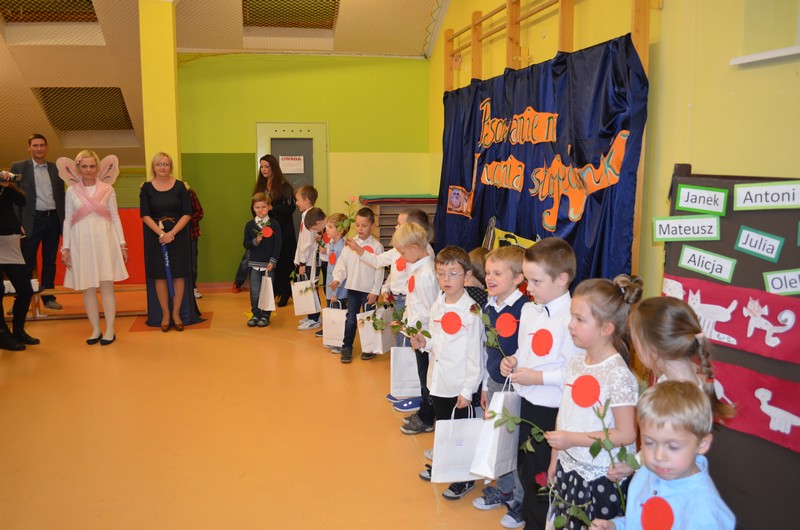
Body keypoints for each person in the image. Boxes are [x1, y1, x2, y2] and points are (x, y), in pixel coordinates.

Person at [543, 274, 642, 529]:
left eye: (580, 319)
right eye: (571, 316)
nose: (570, 325)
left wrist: (572, 439)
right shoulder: (576, 362)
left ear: (606, 328)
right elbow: (564, 414)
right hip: (568, 467)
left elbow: (626, 433)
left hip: (600, 478)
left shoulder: (617, 374)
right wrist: (556, 457)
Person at [499, 238, 582, 529]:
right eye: (527, 280)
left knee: (544, 478)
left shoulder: (572, 319)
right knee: (526, 469)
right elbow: (525, 351)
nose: (528, 288)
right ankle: (532, 519)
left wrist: (538, 378)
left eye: (536, 281)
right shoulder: (530, 310)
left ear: (562, 279)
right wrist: (512, 360)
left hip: (552, 411)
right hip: (526, 403)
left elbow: (575, 372)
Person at [607, 296, 735, 483]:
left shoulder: (679, 398)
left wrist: (635, 465)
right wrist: (633, 463)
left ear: (651, 349)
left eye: (636, 342)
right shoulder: (672, 381)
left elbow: (663, 453)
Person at [590, 381, 736, 530]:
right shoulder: (648, 472)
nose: (659, 456)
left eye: (673, 447)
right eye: (649, 443)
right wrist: (615, 526)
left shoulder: (705, 515)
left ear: (702, 444)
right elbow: (638, 521)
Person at [412, 245, 483, 500]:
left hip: (458, 385)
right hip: (438, 382)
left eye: (453, 274)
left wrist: (467, 391)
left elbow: (475, 356)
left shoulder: (471, 311)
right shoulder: (437, 305)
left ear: (467, 275)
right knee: (443, 428)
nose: (446, 279)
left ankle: (464, 478)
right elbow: (436, 342)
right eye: (441, 273)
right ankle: (445, 465)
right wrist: (424, 343)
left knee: (460, 434)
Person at [345, 208, 435, 411]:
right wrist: (386, 288)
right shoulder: (406, 253)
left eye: (400, 224)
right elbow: (388, 269)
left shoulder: (424, 263)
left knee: (411, 352)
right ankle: (405, 388)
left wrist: (410, 322)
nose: (395, 227)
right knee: (402, 346)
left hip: (415, 316)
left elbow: (428, 305)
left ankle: (413, 393)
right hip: (405, 307)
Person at [472, 245, 527, 528]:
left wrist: (516, 362)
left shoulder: (526, 309)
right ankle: (504, 488)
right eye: (488, 272)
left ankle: (520, 499)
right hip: (494, 382)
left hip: (516, 387)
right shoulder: (488, 307)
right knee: (498, 438)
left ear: (518, 278)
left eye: (497, 273)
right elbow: (486, 350)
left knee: (514, 442)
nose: (490, 278)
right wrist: (485, 385)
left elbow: (530, 349)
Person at [58, 151, 128, 345]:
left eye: (92, 166)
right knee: (87, 288)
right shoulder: (71, 191)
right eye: (84, 166)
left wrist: (122, 244)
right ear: (78, 168)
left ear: (97, 167)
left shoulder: (108, 189)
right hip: (81, 243)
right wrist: (66, 248)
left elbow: (115, 217)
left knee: (106, 286)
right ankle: (96, 329)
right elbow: (68, 220)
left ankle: (110, 329)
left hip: (105, 241)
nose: (88, 170)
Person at [388, 222, 438, 435]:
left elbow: (431, 310)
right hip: (417, 334)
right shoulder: (418, 269)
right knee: (422, 375)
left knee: (427, 378)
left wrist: (420, 333)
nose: (401, 256)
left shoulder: (426, 275)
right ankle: (425, 412)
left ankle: (427, 417)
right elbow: (415, 304)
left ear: (416, 248)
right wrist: (405, 323)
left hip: (425, 338)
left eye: (402, 252)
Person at [139, 152, 199, 331]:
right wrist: (161, 234)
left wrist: (171, 233)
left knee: (179, 275)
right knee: (160, 276)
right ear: (153, 167)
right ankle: (165, 313)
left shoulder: (180, 187)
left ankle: (176, 313)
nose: (162, 167)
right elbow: (145, 215)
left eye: (166, 164)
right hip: (155, 237)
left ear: (171, 167)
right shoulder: (146, 188)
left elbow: (187, 213)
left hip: (178, 236)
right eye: (159, 164)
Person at [11, 134, 65, 310]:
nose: (39, 148)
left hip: (53, 221)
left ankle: (48, 297)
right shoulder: (18, 167)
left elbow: (61, 196)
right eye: (35, 145)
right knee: (26, 262)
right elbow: (14, 198)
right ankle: (22, 300)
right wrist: (17, 223)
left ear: (46, 147)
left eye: (42, 145)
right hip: (30, 222)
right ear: (29, 148)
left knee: (49, 261)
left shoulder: (56, 169)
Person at [234, 155, 297, 301]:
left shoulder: (284, 186)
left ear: (274, 167)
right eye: (261, 166)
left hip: (283, 229)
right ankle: (272, 292)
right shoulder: (260, 186)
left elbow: (290, 208)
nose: (264, 169)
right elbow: (253, 207)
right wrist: (261, 222)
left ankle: (285, 292)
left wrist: (272, 208)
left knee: (283, 260)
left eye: (267, 166)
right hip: (265, 230)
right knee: (268, 260)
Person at [329, 207, 384, 363]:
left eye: (364, 226)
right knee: (351, 319)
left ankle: (369, 348)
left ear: (372, 226)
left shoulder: (377, 246)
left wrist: (375, 291)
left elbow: (379, 271)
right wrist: (337, 279)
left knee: (368, 319)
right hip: (353, 288)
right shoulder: (350, 244)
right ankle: (347, 347)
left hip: (368, 292)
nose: (360, 229)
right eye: (357, 225)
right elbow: (342, 265)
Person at [0, 169, 38, 350]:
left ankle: (18, 330)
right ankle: (2, 334)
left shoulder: (5, 189)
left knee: (25, 289)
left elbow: (22, 201)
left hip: (11, 243)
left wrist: (6, 185)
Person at [243, 193, 282, 328]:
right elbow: (246, 244)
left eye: (264, 207)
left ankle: (265, 315)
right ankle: (256, 314)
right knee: (254, 292)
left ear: (269, 207)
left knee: (267, 291)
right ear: (253, 208)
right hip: (254, 265)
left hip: (268, 265)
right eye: (257, 207)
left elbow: (278, 245)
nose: (260, 210)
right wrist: (255, 241)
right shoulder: (249, 225)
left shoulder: (274, 224)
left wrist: (273, 261)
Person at [294, 185, 322, 331]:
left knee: (309, 287)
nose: (296, 203)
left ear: (307, 200)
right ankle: (313, 314)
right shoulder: (307, 215)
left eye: (298, 200)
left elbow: (306, 243)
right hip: (307, 259)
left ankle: (314, 318)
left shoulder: (309, 217)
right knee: (309, 287)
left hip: (309, 260)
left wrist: (302, 262)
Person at [321, 213, 348, 353]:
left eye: (330, 227)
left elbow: (341, 271)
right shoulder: (332, 243)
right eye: (327, 226)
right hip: (331, 287)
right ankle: (333, 339)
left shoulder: (342, 247)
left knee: (339, 316)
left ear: (340, 230)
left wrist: (335, 293)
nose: (327, 229)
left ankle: (341, 342)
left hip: (339, 289)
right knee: (332, 313)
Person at [187, 186, 204, 299]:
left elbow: (199, 212)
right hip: (174, 236)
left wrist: (185, 221)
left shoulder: (190, 193)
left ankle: (193, 287)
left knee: (192, 264)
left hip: (191, 234)